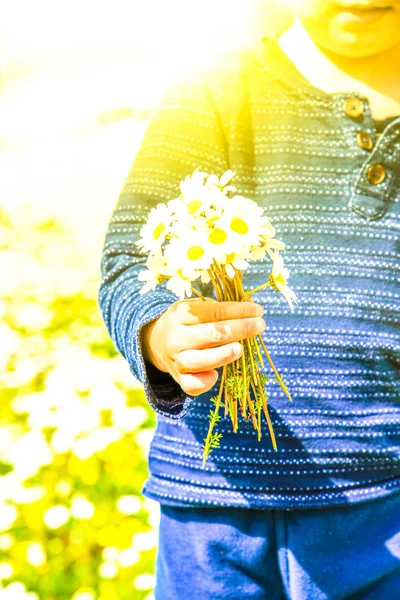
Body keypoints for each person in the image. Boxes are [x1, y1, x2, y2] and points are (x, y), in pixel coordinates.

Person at [98, 1, 400, 598]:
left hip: (386, 509)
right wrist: (161, 334)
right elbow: (128, 258)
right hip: (214, 510)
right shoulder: (215, 87)